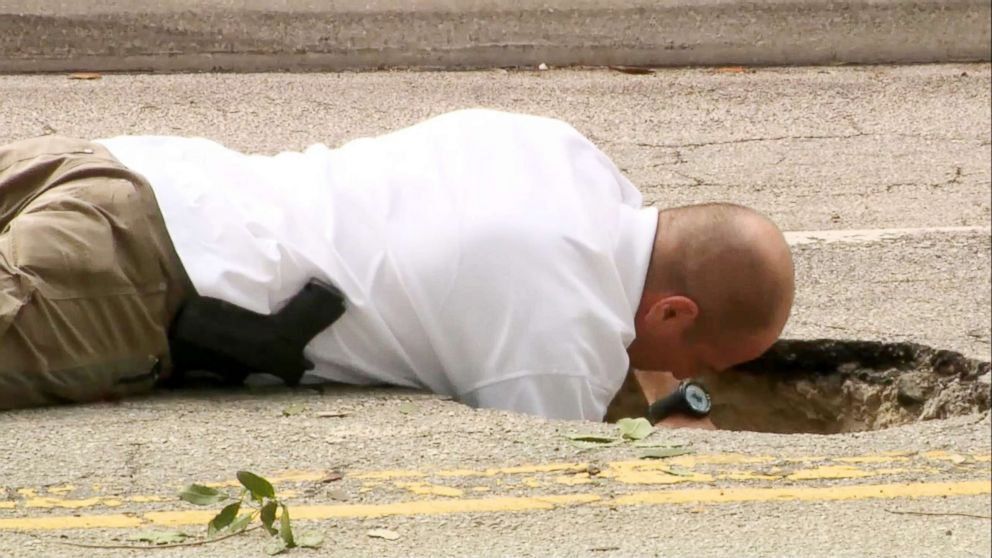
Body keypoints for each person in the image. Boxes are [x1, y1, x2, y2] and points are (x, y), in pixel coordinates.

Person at [0, 109, 794, 424]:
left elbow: (626, 301)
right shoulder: (555, 341)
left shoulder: (569, 155)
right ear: (675, 314)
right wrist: (667, 434)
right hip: (128, 277)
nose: (687, 372)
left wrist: (664, 380)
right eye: (702, 362)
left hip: (125, 170)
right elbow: (565, 485)